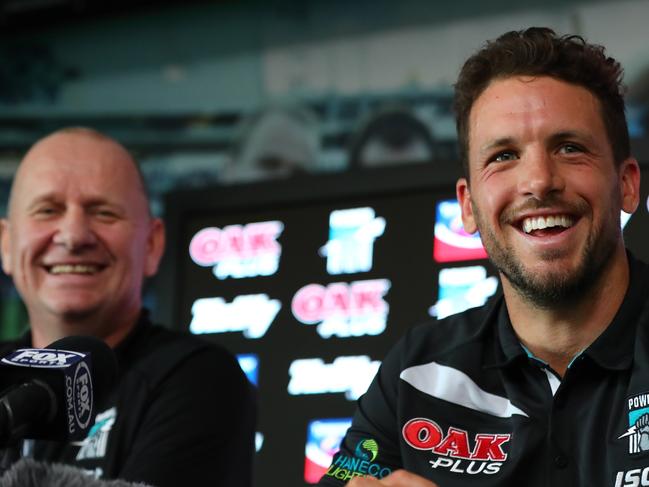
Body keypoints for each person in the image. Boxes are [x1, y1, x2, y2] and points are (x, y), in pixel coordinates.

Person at [317, 27, 646, 487]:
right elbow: (348, 477)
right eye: (504, 155)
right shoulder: (416, 371)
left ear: (627, 184)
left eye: (569, 148)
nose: (538, 182)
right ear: (468, 206)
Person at [0, 127, 256, 486]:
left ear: (151, 244)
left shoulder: (199, 379)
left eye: (103, 213)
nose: (73, 236)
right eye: (47, 210)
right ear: (7, 244)